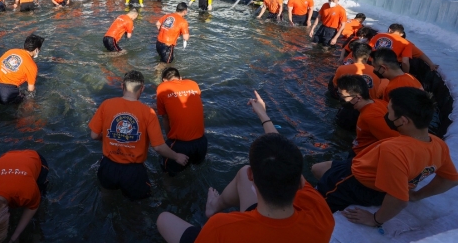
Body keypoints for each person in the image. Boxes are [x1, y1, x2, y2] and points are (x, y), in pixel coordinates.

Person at [157, 91, 334, 243]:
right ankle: (213, 206)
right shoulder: (319, 211)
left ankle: (212, 209)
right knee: (241, 172)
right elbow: (284, 154)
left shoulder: (223, 227)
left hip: (245, 231)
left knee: (163, 219)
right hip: (282, 225)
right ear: (301, 183)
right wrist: (263, 115)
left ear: (253, 177)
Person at [313, 88, 458, 225]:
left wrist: (376, 219)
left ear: (403, 120)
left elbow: (399, 199)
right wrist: (417, 195)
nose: (386, 115)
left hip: (356, 183)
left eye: (389, 111)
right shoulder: (438, 144)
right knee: (317, 168)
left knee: (316, 203)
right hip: (366, 173)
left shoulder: (394, 151)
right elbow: (451, 179)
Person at [88, 71, 188, 200]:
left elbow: (94, 135)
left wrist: (111, 139)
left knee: (106, 196)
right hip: (133, 171)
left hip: (108, 166)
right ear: (142, 89)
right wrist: (176, 156)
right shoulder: (148, 112)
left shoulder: (106, 104)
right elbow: (158, 147)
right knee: (137, 208)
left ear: (122, 86)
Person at [0, 150, 50, 243]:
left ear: (8, 215)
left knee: (40, 200)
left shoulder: (26, 192)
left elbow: (32, 207)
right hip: (7, 155)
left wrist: (15, 236)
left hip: (34, 158)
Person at [156, 67, 206, 176]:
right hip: (202, 142)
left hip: (180, 145)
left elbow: (165, 118)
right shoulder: (194, 84)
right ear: (181, 78)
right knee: (195, 171)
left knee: (166, 173)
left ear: (164, 80)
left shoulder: (162, 87)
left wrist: (169, 138)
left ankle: (167, 192)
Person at [336, 75, 399, 157]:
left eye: (342, 96)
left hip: (361, 156)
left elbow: (395, 140)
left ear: (358, 98)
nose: (340, 98)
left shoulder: (370, 117)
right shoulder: (378, 102)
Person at [0, 34, 44, 105]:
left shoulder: (11, 51)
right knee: (25, 99)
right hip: (7, 93)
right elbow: (30, 89)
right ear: (36, 50)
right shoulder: (32, 66)